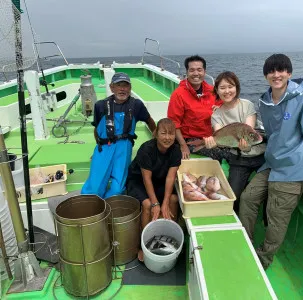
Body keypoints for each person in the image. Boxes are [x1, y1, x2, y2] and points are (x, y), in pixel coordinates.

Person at [239, 54, 303, 269]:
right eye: (271, 71)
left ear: (289, 73)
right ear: (265, 75)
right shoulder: (265, 101)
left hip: (294, 167)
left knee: (276, 216)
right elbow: (272, 133)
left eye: (281, 70)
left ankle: (263, 259)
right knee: (248, 198)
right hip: (272, 163)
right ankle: (246, 243)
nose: (276, 75)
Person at [81, 72, 156, 198]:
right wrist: (98, 150)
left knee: (117, 189)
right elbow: (97, 129)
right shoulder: (100, 105)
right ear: (111, 87)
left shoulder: (136, 105)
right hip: (104, 147)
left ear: (130, 88)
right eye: (118, 85)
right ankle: (92, 207)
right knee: (94, 189)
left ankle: (109, 206)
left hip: (124, 149)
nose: (122, 89)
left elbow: (150, 122)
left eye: (125, 85)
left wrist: (156, 142)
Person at [203, 71, 266, 212]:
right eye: (222, 88)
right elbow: (219, 135)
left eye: (230, 86)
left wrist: (245, 143)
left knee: (268, 191)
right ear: (217, 91)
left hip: (259, 156)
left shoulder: (247, 105)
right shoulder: (216, 115)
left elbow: (248, 129)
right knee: (234, 197)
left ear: (236, 88)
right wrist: (213, 143)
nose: (227, 91)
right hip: (238, 159)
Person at [126, 118, 182, 261]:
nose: (168, 138)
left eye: (171, 134)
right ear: (156, 133)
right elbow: (146, 179)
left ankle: (171, 237)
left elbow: (170, 178)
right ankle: (143, 245)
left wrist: (165, 202)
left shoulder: (176, 150)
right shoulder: (146, 149)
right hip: (138, 181)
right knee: (147, 205)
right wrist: (156, 203)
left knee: (174, 200)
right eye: (163, 133)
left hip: (160, 181)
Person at [167, 55, 228, 161]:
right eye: (192, 70)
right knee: (224, 154)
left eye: (199, 70)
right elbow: (174, 123)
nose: (196, 74)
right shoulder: (178, 95)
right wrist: (183, 145)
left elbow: (225, 109)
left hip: (211, 136)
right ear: (187, 72)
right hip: (190, 139)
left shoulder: (212, 91)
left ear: (204, 71)